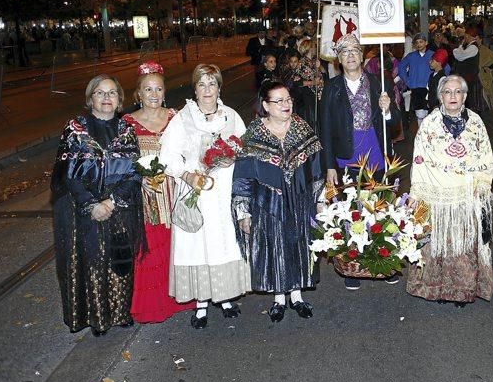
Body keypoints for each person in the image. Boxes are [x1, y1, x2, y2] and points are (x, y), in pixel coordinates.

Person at [52, 75, 144, 336]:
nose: (106, 98)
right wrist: (92, 204)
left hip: (120, 207)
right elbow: (67, 175)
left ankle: (120, 312)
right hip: (84, 210)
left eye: (112, 93)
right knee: (92, 261)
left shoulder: (127, 131)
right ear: (90, 97)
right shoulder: (75, 130)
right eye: (100, 93)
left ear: (119, 100)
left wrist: (112, 201)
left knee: (120, 260)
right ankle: (97, 318)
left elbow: (135, 173)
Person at [159, 64, 249, 329]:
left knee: (224, 243)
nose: (207, 89)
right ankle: (201, 304)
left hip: (224, 192)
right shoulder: (183, 119)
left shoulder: (231, 116)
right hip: (196, 190)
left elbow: (244, 151)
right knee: (197, 245)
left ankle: (225, 298)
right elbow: (168, 156)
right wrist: (188, 176)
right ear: (195, 89)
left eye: (212, 83)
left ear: (219, 87)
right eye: (202, 84)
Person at [232, 81, 324, 322]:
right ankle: (279, 298)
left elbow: (316, 167)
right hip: (267, 202)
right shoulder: (253, 135)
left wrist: (321, 200)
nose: (286, 104)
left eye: (288, 99)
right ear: (266, 105)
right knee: (274, 247)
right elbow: (243, 175)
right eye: (279, 101)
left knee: (299, 245)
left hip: (300, 200)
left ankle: (297, 295)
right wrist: (243, 211)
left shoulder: (302, 128)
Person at [319, 33, 400, 290]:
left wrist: (388, 109)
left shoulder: (378, 82)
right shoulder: (331, 88)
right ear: (338, 60)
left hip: (374, 150)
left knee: (378, 207)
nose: (351, 55)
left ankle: (383, 259)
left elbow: (396, 120)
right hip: (345, 155)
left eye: (355, 50)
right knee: (349, 209)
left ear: (363, 55)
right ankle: (352, 263)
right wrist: (329, 164)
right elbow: (325, 128)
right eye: (345, 52)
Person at [406, 75, 493, 306]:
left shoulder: (476, 123)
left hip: (466, 195)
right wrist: (416, 194)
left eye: (457, 92)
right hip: (436, 194)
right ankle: (437, 290)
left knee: (462, 248)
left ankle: (461, 292)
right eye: (447, 92)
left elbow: (486, 157)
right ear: (440, 97)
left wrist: (482, 185)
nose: (453, 96)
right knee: (437, 247)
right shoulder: (429, 124)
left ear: (464, 96)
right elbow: (419, 160)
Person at [123, 62, 195, 323]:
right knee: (151, 247)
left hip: (175, 190)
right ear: (138, 94)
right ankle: (155, 304)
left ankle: (184, 297)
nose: (153, 94)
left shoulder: (177, 117)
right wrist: (139, 179)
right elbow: (120, 162)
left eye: (158, 89)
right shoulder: (127, 124)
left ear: (165, 92)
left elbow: (192, 151)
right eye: (147, 89)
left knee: (179, 244)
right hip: (146, 195)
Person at [398, 33, 435, 130]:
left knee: (430, 113)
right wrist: (407, 81)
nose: (419, 44)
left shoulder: (433, 55)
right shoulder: (411, 56)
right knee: (419, 114)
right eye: (417, 42)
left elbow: (443, 66)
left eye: (421, 42)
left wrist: (440, 81)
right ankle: (421, 135)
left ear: (426, 43)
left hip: (429, 88)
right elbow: (401, 67)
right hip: (416, 88)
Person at [477, 35, 493, 109]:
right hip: (478, 75)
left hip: (484, 76)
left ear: (480, 40)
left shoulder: (484, 49)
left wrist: (488, 68)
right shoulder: (473, 49)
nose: (475, 41)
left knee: (487, 92)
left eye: (477, 39)